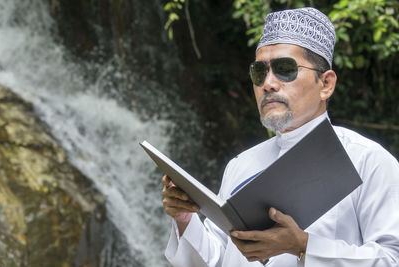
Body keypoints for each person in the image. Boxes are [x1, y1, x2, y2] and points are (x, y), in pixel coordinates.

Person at [161, 7, 399, 267]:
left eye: (285, 69)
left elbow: (392, 258)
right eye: (259, 72)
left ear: (326, 84)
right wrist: (185, 220)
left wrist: (304, 246)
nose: (268, 83)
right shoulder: (240, 165)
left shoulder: (367, 161)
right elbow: (217, 260)